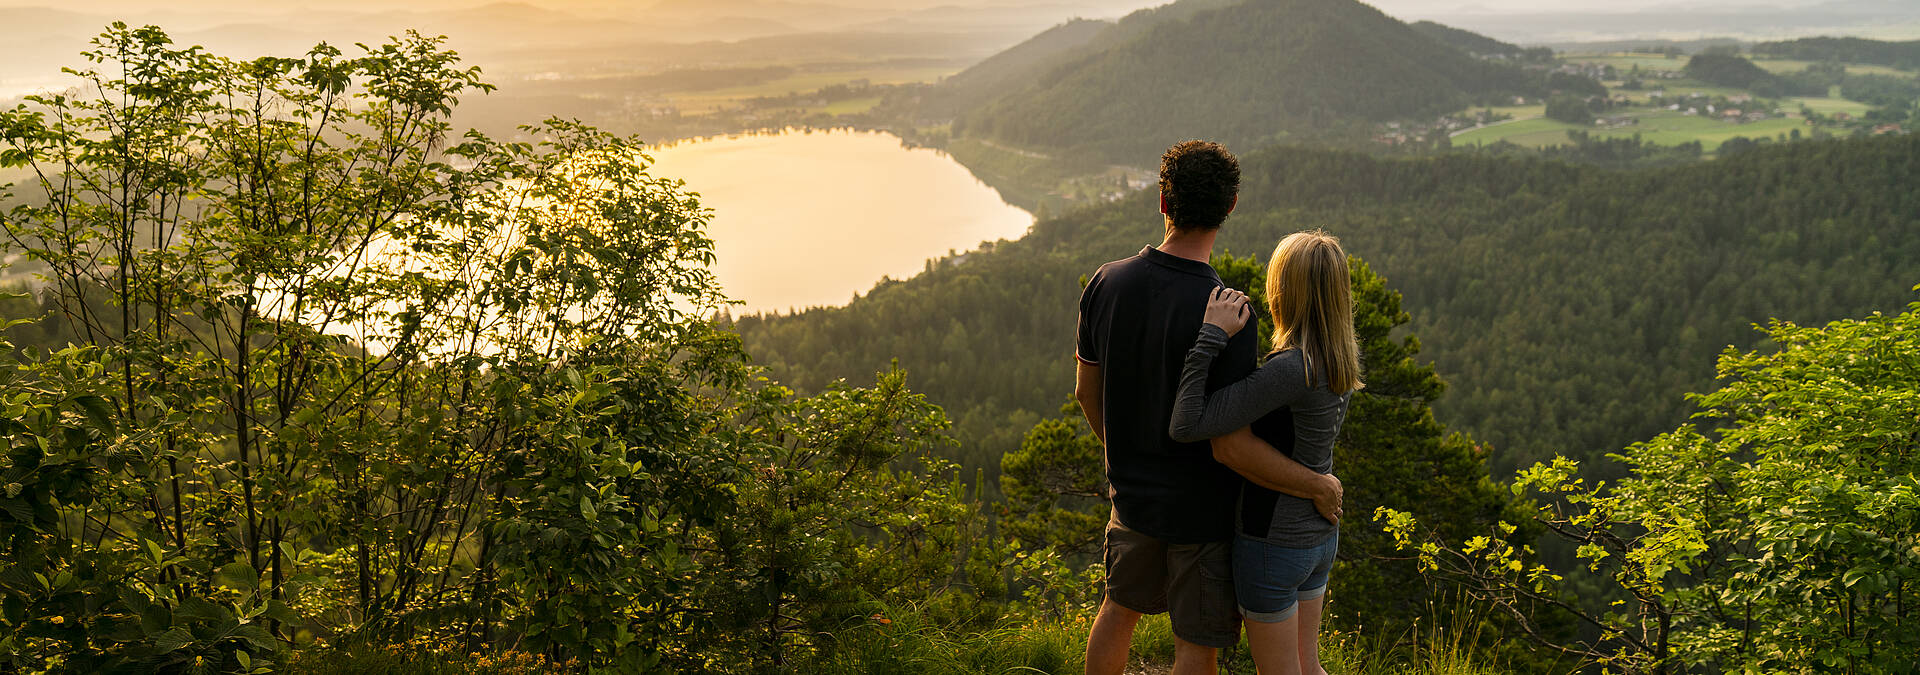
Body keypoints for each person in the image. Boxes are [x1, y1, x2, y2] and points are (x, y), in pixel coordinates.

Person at [1075, 142, 1343, 675]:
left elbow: (1087, 390)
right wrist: (1316, 484)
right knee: (1196, 643)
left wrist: (1124, 456)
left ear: (1162, 202)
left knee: (1118, 611)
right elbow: (1232, 444)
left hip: (1132, 499)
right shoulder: (1230, 312)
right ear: (1232, 205)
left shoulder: (1107, 282)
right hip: (1203, 512)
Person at [1166, 231, 1363, 675]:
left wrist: (1211, 337)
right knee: (1308, 667)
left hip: (1273, 542)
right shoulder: (1337, 357)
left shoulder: (1291, 368)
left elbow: (1187, 424)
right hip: (1318, 538)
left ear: (1283, 292)